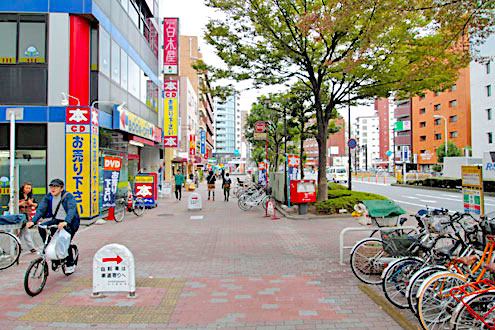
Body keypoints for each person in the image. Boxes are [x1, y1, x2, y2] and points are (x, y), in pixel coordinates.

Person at [26, 179, 80, 274]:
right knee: (42, 227)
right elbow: (41, 209)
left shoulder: (68, 196)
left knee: (63, 241)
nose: (53, 189)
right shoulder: (48, 197)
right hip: (56, 220)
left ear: (61, 188)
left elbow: (72, 209)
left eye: (56, 186)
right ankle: (51, 251)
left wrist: (66, 222)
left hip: (70, 222)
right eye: (51, 186)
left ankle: (70, 264)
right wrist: (33, 221)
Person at [18, 182, 37, 253]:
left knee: (24, 231)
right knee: (21, 231)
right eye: (26, 188)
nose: (28, 189)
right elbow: (11, 204)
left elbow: (36, 204)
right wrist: (20, 204)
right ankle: (30, 247)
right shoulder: (18, 195)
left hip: (26, 216)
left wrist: (31, 203)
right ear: (23, 188)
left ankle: (17, 245)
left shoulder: (30, 197)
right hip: (19, 215)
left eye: (29, 188)